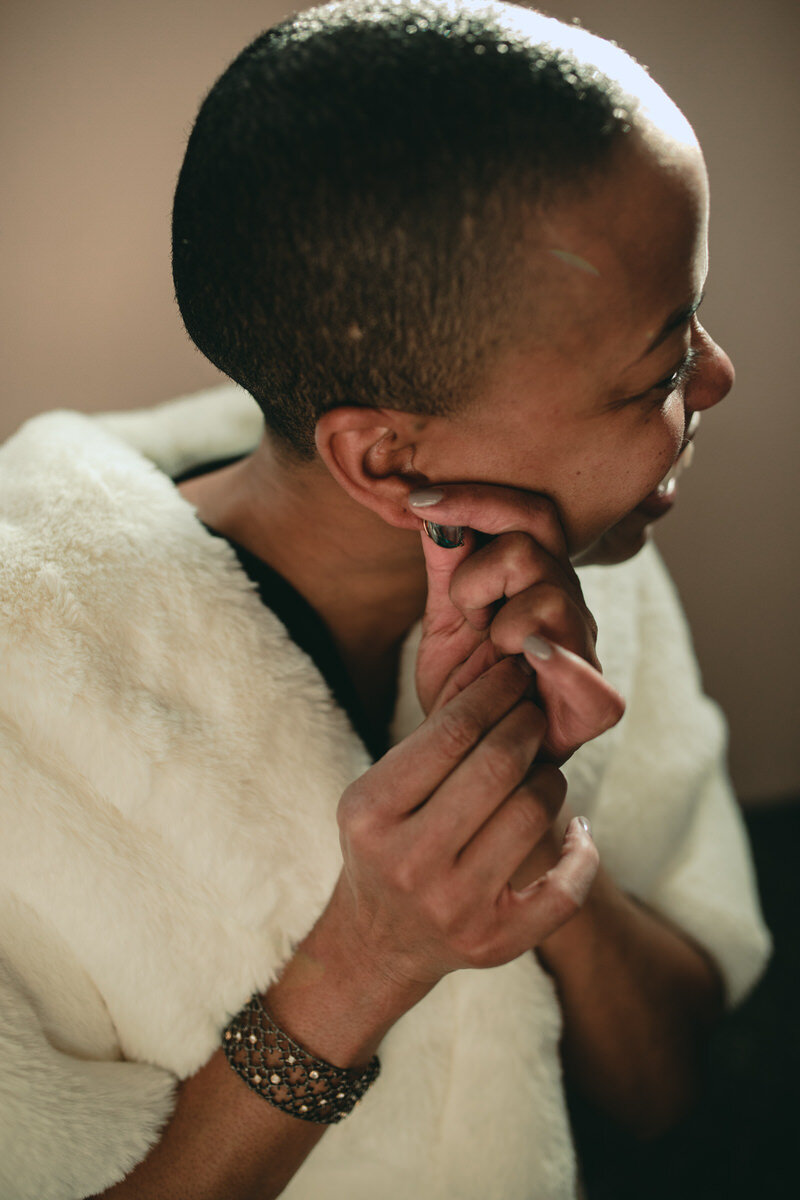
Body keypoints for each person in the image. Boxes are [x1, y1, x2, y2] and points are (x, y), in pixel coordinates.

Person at [0, 2, 770, 1198]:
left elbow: (674, 1099)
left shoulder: (581, 562)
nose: (716, 377)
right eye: (656, 370)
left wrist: (530, 829)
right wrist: (363, 960)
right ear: (388, 462)